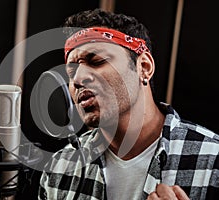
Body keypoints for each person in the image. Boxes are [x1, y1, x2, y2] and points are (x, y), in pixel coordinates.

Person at [38, 8, 219, 200]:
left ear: (144, 67)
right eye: (72, 72)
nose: (78, 79)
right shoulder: (59, 169)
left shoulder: (213, 160)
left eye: (97, 61)